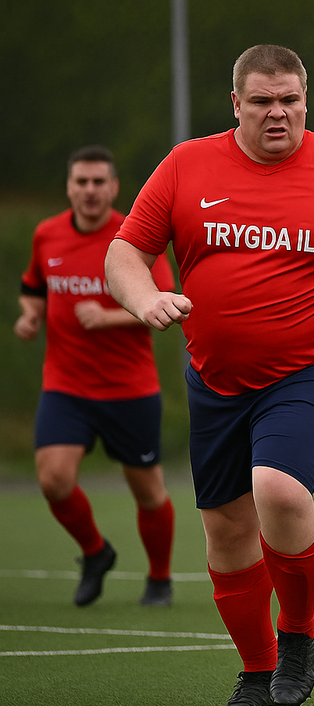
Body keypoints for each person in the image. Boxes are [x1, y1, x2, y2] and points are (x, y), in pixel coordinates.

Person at [104, 44, 314, 706]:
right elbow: (127, 250)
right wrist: (143, 300)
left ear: (306, 99)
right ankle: (255, 673)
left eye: (290, 100)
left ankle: (297, 632)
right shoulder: (187, 165)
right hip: (215, 377)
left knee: (275, 487)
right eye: (262, 102)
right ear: (236, 105)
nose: (278, 113)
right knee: (225, 529)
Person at [15, 145, 178, 608]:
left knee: (148, 492)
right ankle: (95, 552)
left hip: (130, 389)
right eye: (81, 182)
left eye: (98, 182)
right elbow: (33, 289)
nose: (89, 191)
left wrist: (106, 317)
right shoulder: (46, 235)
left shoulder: (133, 237)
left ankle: (160, 579)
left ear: (114, 188)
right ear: (69, 186)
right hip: (66, 386)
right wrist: (30, 316)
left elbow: (163, 298)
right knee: (53, 480)